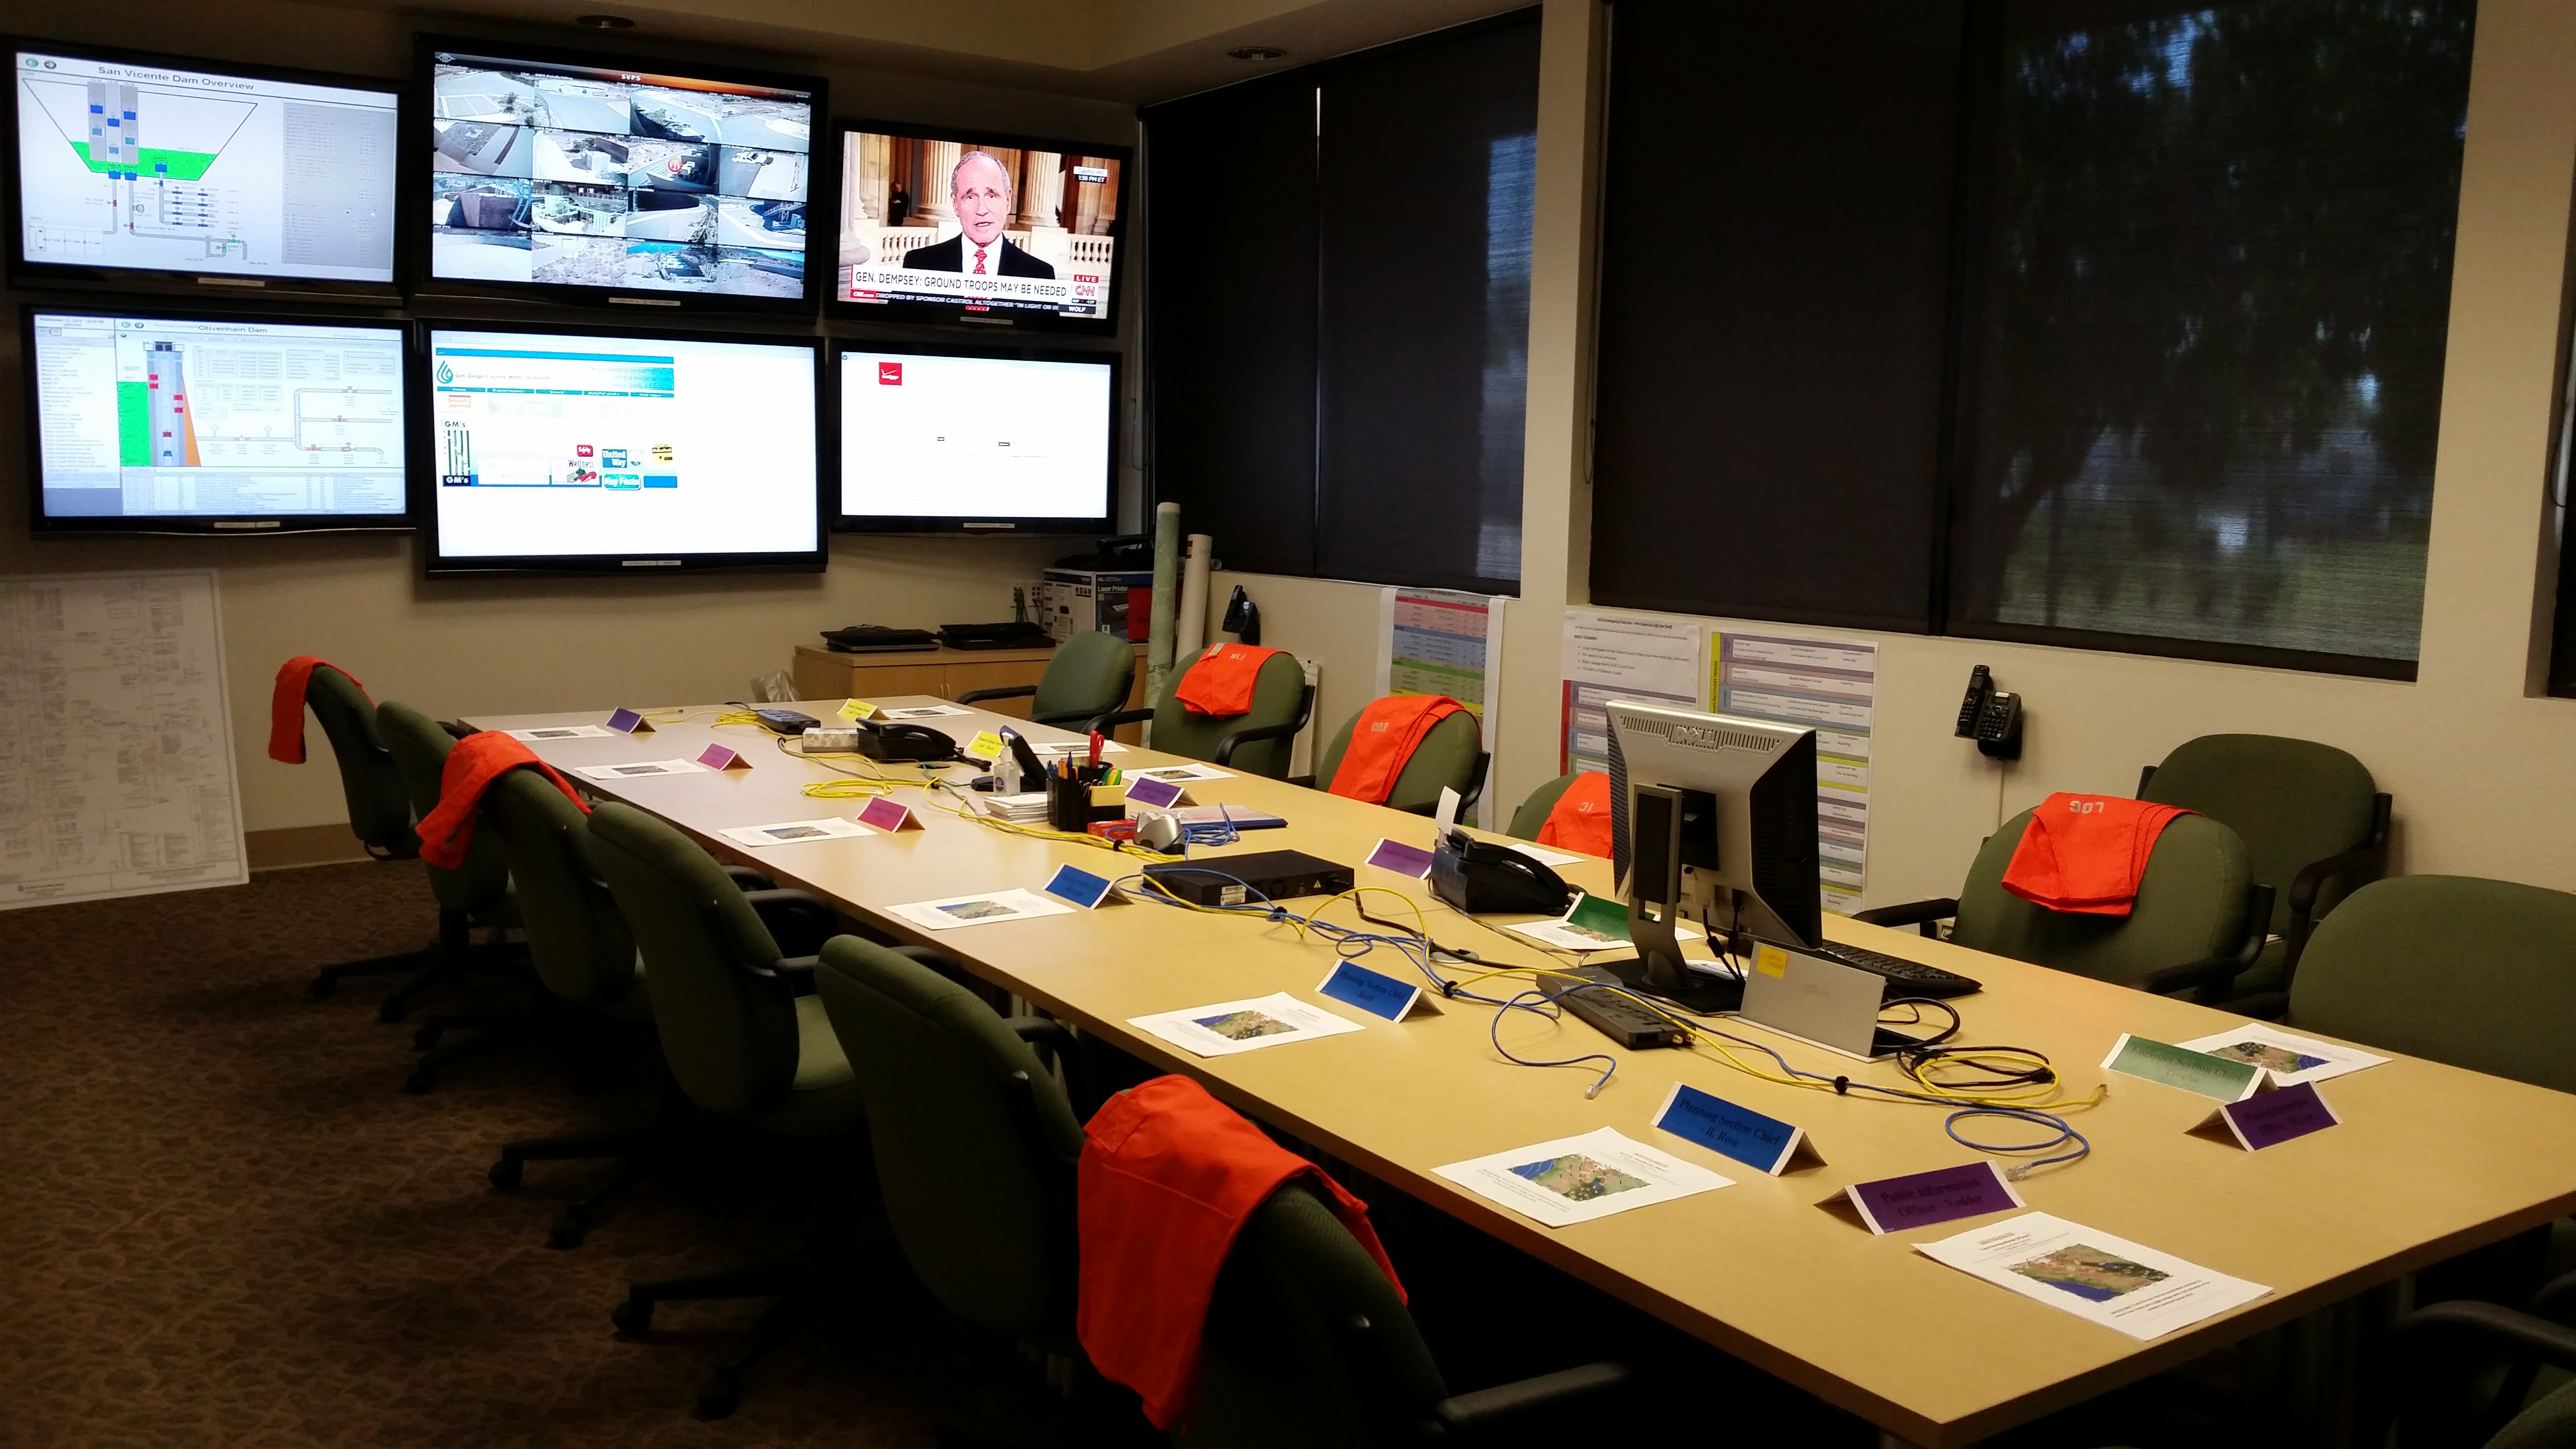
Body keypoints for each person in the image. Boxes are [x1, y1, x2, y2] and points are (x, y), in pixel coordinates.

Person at [904, 149, 1054, 278]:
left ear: (1008, 201)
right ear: (956, 204)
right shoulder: (918, 265)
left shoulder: (1040, 274)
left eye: (991, 196)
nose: (982, 210)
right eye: (970, 197)